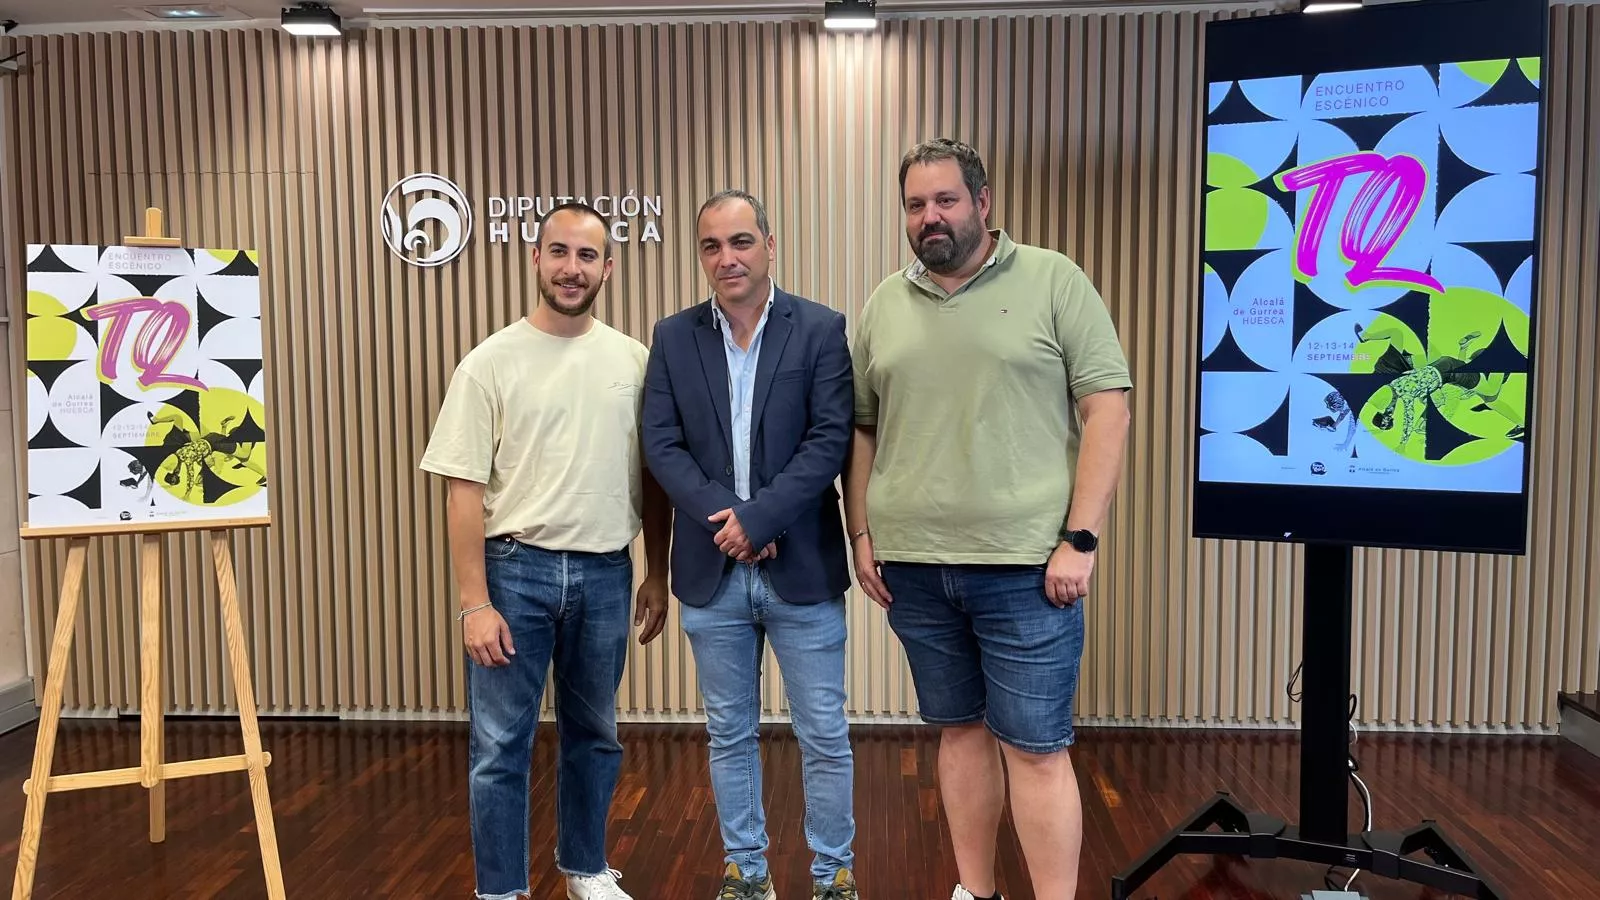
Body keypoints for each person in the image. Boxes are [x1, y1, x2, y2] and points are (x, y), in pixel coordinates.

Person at [843, 138, 1133, 900]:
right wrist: (863, 533)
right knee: (959, 732)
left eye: (944, 199)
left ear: (983, 201)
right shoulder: (885, 302)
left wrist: (1081, 538)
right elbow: (863, 428)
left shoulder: (1052, 280)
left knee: (1036, 749)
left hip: (1029, 568)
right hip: (914, 566)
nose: (929, 216)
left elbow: (1107, 407)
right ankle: (976, 891)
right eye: (914, 204)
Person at [419, 202, 672, 900]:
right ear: (536, 259)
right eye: (559, 252)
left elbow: (654, 478)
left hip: (606, 574)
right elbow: (461, 493)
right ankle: (501, 890)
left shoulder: (635, 362)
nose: (571, 268)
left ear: (609, 267)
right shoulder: (489, 363)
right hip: (514, 574)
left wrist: (658, 573)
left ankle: (585, 867)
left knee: (595, 735)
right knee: (501, 748)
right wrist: (474, 603)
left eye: (587, 256)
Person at [640, 189, 859, 900]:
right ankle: (747, 873)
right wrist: (729, 522)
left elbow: (829, 438)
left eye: (740, 241)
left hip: (801, 566)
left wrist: (761, 520)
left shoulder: (820, 329)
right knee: (729, 734)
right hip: (712, 571)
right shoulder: (672, 337)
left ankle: (834, 877)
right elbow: (661, 446)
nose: (726, 258)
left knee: (823, 733)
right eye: (711, 246)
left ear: (770, 245)